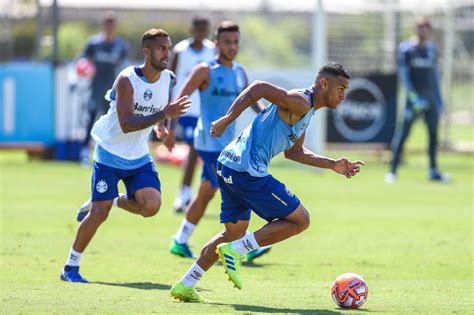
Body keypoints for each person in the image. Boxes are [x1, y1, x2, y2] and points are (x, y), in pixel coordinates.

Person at [169, 62, 364, 302]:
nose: (343, 95)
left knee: (233, 232)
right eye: (341, 88)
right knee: (300, 220)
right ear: (324, 84)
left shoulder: (306, 110)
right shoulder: (301, 102)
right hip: (246, 171)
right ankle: (238, 250)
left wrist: (332, 164)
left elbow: (295, 152)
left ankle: (186, 284)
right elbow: (259, 87)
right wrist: (227, 119)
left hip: (228, 165)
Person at [60, 28, 191, 283]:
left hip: (139, 156)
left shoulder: (169, 79)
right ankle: (70, 267)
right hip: (109, 153)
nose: (167, 53)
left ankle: (115, 200)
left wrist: (162, 129)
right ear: (146, 52)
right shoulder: (126, 79)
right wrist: (164, 113)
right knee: (99, 213)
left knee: (151, 206)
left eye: (169, 48)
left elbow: (155, 115)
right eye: (161, 48)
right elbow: (127, 124)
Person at [168, 21, 271, 262]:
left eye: (236, 42)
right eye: (227, 42)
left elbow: (253, 100)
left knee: (206, 192)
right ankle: (244, 244)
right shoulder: (205, 70)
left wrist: (269, 115)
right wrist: (170, 128)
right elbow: (180, 97)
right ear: (217, 44)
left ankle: (180, 240)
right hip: (208, 143)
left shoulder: (239, 72)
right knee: (240, 186)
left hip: (228, 145)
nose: (232, 46)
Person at [385, 17, 447, 183]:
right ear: (416, 29)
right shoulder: (407, 49)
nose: (423, 30)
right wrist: (414, 97)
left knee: (433, 135)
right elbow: (404, 76)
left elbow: (434, 76)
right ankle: (392, 171)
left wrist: (439, 99)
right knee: (403, 134)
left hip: (431, 99)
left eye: (426, 27)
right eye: (420, 27)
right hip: (413, 101)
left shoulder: (432, 50)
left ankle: (434, 170)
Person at [168, 17, 216, 213]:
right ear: (191, 29)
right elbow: (170, 79)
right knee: (194, 149)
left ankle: (193, 195)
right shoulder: (180, 51)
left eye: (205, 29)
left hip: (206, 111)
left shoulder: (213, 50)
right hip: (186, 109)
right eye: (198, 28)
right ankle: (184, 195)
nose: (201, 32)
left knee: (206, 154)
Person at [79, 12, 129, 167]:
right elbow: (83, 62)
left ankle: (112, 152)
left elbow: (123, 66)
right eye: (107, 24)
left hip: (113, 89)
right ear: (103, 26)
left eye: (111, 24)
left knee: (113, 120)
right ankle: (85, 152)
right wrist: (84, 69)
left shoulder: (121, 45)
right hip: (96, 87)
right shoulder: (93, 44)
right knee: (91, 118)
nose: (109, 27)